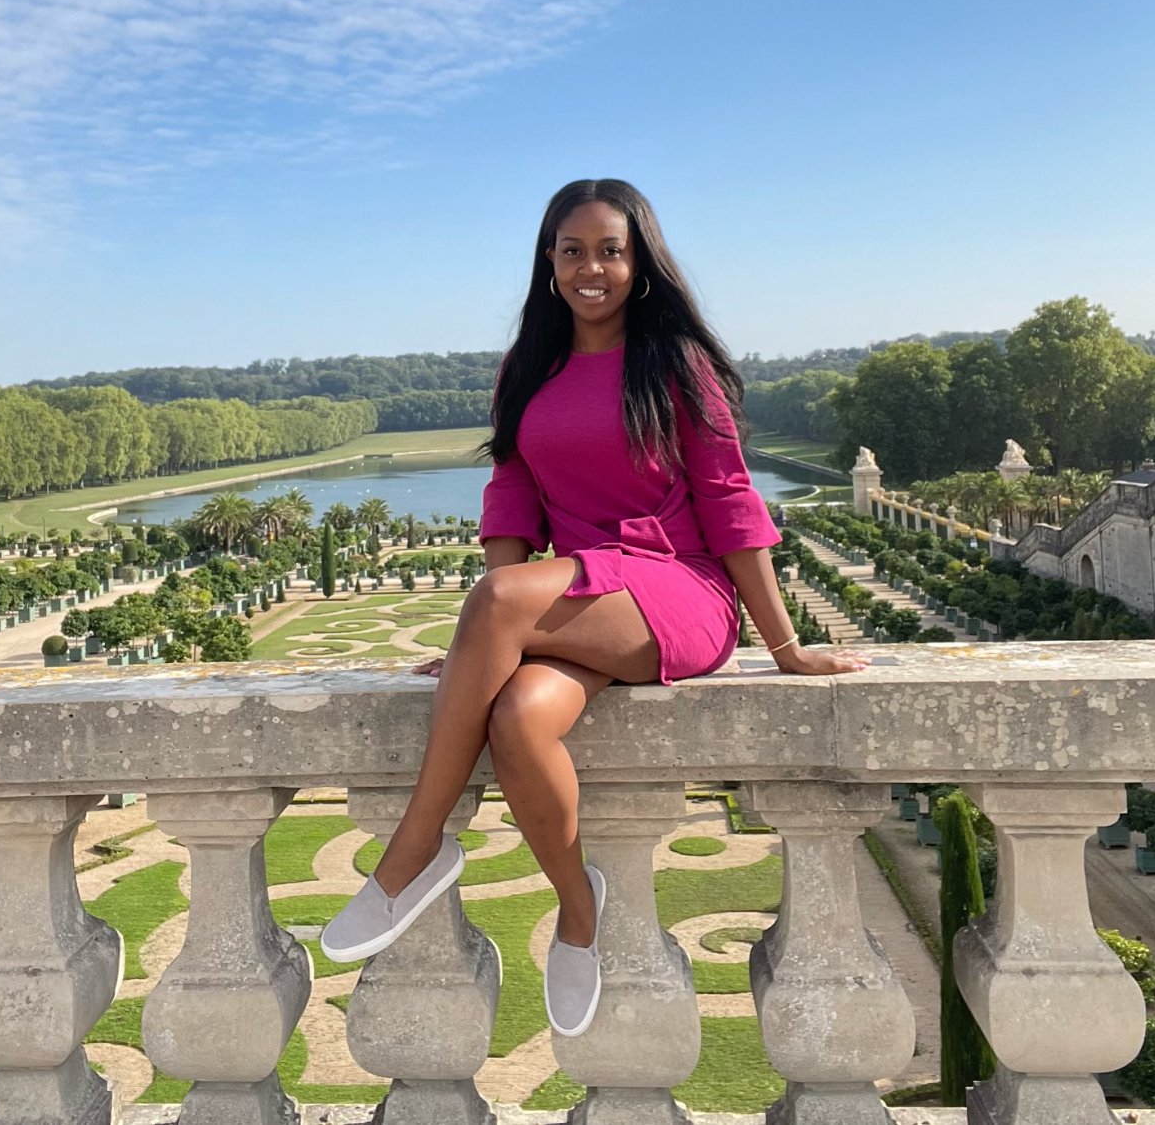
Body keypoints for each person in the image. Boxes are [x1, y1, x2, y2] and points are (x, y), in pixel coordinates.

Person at [320, 178, 866, 1036]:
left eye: (611, 250)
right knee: (516, 715)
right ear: (548, 263)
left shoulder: (678, 364)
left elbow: (729, 502)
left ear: (639, 261)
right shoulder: (525, 370)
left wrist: (787, 645)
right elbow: (511, 495)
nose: (592, 268)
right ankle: (580, 914)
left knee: (499, 599)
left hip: (680, 591)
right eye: (572, 251)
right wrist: (486, 642)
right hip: (586, 594)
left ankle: (413, 852)